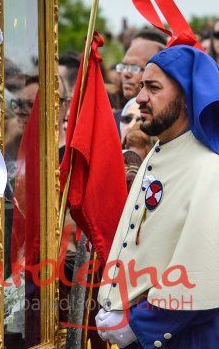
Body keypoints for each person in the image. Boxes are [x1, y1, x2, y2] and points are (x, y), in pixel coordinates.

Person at [95, 46, 219, 348]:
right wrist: (115, 303)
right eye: (141, 87)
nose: (139, 98)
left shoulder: (209, 167)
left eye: (153, 88)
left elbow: (200, 270)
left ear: (187, 96)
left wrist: (139, 325)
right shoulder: (160, 150)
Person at [118, 31, 167, 132]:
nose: (126, 74)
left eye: (134, 67)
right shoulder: (113, 119)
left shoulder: (165, 124)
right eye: (124, 66)